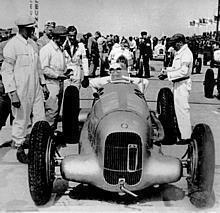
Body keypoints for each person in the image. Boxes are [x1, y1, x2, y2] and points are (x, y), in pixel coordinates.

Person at [1, 15, 47, 163]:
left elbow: (38, 67)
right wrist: (12, 93)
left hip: (36, 88)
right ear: (24, 29)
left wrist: (43, 83)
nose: (33, 30)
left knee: (40, 117)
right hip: (20, 89)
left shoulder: (33, 44)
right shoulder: (12, 45)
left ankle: (37, 147)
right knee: (21, 119)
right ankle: (20, 148)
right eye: (31, 28)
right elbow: (6, 71)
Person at [159, 33, 193, 141]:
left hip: (182, 84)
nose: (173, 46)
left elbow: (183, 72)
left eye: (174, 44)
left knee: (182, 109)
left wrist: (167, 75)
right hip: (177, 83)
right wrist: (167, 71)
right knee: (177, 109)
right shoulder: (180, 53)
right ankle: (181, 133)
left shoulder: (186, 54)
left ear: (180, 42)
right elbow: (176, 68)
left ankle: (186, 136)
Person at [40, 25, 68, 130]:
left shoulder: (59, 49)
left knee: (56, 110)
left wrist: (66, 71)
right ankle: (47, 136)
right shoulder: (47, 50)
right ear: (56, 37)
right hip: (50, 83)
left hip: (59, 83)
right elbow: (43, 68)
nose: (64, 40)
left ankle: (52, 132)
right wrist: (57, 75)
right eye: (62, 38)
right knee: (51, 111)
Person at [63, 25, 89, 89]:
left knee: (75, 94)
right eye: (70, 36)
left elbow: (84, 61)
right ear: (67, 35)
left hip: (76, 73)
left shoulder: (80, 46)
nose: (72, 38)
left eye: (73, 36)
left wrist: (86, 76)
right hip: (65, 73)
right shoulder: (63, 46)